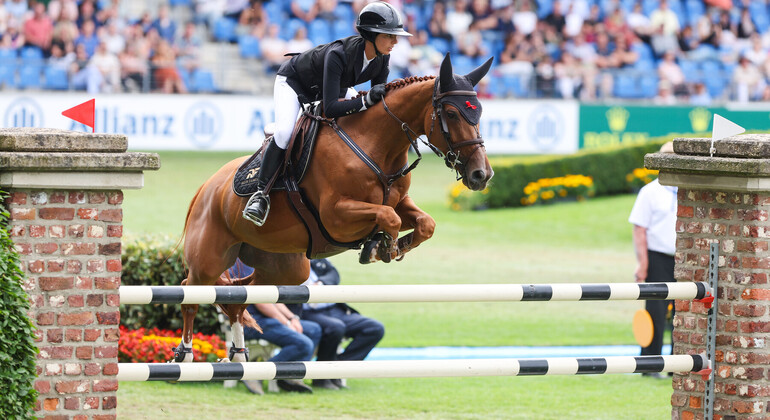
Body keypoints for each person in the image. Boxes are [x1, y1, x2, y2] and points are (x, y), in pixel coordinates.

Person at [242, 1, 412, 227]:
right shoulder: (338, 54)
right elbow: (331, 108)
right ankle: (260, 195)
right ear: (371, 35)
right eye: (389, 36)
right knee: (284, 133)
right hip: (295, 84)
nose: (395, 41)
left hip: (335, 87)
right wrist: (365, 100)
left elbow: (377, 103)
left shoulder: (382, 57)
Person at [228, 259, 322, 395]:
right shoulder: (243, 264)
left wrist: (292, 318)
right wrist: (287, 323)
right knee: (304, 344)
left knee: (314, 330)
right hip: (252, 323)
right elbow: (262, 303)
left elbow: (272, 297)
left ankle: (289, 375)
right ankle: (256, 374)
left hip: (267, 319)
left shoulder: (255, 260)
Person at [628, 142, 677, 379]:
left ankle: (679, 365)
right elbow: (640, 229)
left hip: (686, 260)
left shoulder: (691, 190)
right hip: (657, 257)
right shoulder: (650, 192)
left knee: (684, 315)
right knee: (655, 313)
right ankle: (649, 364)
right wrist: (643, 263)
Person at [298, 259, 385, 390]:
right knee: (335, 327)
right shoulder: (288, 261)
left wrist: (321, 283)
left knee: (374, 328)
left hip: (335, 309)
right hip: (308, 312)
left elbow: (333, 273)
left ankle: (337, 368)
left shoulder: (313, 256)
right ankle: (322, 377)